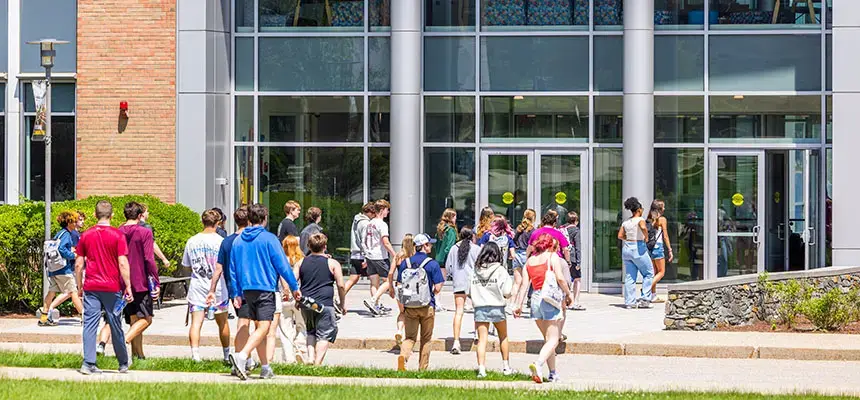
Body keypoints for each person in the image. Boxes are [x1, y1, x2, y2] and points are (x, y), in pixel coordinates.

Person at [227, 203, 301, 380]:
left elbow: (232, 268)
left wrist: (235, 292)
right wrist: (294, 287)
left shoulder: (238, 240)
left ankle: (265, 367)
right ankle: (242, 357)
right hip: (265, 289)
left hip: (246, 290)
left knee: (259, 327)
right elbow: (282, 266)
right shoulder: (269, 239)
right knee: (265, 327)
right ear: (265, 219)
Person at [75, 200, 133, 375]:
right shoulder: (117, 235)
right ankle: (123, 362)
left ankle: (88, 363)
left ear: (95, 215)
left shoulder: (86, 235)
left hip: (91, 286)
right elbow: (122, 262)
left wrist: (79, 286)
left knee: (89, 324)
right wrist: (128, 286)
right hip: (112, 287)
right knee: (115, 324)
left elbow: (78, 264)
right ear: (112, 215)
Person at [512, 233, 574, 384]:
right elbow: (560, 278)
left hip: (535, 300)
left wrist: (518, 305)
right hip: (549, 299)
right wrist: (568, 293)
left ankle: (553, 373)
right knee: (554, 338)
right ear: (549, 245)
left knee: (548, 340)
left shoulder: (530, 261)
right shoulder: (552, 257)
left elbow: (524, 285)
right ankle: (538, 364)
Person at [208, 206, 258, 375]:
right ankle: (241, 360)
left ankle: (247, 358)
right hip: (252, 286)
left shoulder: (227, 241)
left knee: (246, 323)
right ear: (250, 220)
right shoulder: (251, 239)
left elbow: (218, 268)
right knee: (246, 324)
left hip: (233, 288)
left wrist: (212, 289)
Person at [183, 209, 230, 363]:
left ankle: (195, 355)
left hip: (197, 284)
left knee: (196, 322)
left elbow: (187, 264)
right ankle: (226, 354)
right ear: (218, 223)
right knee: (222, 321)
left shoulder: (192, 241)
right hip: (218, 286)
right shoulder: (221, 241)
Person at [293, 233, 346, 365]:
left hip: (307, 303)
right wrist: (342, 303)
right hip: (324, 304)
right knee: (325, 334)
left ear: (309, 246)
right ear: (325, 247)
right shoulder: (332, 263)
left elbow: (292, 281)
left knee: (311, 331)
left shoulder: (301, 263)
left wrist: (296, 295)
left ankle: (310, 358)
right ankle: (317, 363)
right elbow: (341, 285)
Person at [395, 233, 445, 371]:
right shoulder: (432, 264)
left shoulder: (406, 263)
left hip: (410, 306)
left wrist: (404, 303)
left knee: (410, 337)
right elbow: (439, 286)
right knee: (426, 338)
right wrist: (431, 294)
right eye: (429, 244)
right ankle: (422, 369)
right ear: (424, 246)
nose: (431, 246)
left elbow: (399, 284)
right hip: (427, 306)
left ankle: (403, 357)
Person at [118, 202, 160, 360]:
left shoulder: (118, 231)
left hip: (123, 280)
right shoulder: (145, 232)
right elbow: (149, 258)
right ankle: (124, 341)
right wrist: (155, 281)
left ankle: (138, 355)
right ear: (139, 215)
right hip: (140, 280)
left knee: (134, 319)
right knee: (146, 319)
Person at [470, 242, 514, 378]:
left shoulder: (476, 270)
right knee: (503, 336)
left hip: (480, 307)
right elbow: (507, 291)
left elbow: (469, 289)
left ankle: (482, 369)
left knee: (482, 339)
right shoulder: (500, 270)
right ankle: (506, 367)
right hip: (497, 306)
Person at [38, 211, 84, 326]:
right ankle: (84, 317)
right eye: (73, 221)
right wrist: (73, 255)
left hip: (53, 268)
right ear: (69, 223)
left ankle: (44, 317)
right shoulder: (67, 235)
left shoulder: (59, 233)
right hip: (63, 269)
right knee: (73, 292)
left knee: (52, 292)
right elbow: (62, 250)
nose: (75, 223)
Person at [445, 227, 480, 355]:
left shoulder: (454, 248)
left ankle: (456, 341)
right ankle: (477, 334)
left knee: (459, 312)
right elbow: (480, 265)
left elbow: (448, 267)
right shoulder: (476, 248)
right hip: (473, 282)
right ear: (472, 236)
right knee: (477, 309)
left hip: (459, 282)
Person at [618, 197, 655, 309]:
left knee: (630, 276)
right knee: (649, 273)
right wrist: (646, 236)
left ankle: (630, 302)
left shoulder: (626, 222)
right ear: (639, 210)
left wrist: (628, 238)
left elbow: (620, 236)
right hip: (638, 247)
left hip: (627, 248)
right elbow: (643, 227)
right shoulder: (640, 220)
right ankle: (645, 299)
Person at [362, 200, 396, 315]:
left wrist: (366, 255)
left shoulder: (369, 224)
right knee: (388, 280)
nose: (388, 212)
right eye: (387, 209)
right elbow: (385, 242)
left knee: (374, 282)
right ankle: (373, 300)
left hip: (370, 256)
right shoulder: (382, 224)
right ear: (382, 210)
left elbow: (364, 241)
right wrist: (394, 255)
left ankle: (375, 306)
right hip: (379, 256)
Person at [280, 235, 308, 363]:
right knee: (302, 325)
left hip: (284, 298)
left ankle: (289, 358)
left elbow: (281, 276)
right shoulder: (302, 260)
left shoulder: (280, 259)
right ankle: (300, 349)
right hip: (298, 297)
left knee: (286, 330)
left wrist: (285, 289)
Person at [387, 234, 416, 344]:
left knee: (402, 312)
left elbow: (390, 273)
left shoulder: (398, 256)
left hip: (400, 286)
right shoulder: (414, 256)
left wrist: (390, 287)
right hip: (412, 287)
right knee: (412, 312)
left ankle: (399, 330)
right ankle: (409, 338)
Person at [346, 202, 375, 297]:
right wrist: (367, 257)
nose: (374, 216)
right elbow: (364, 241)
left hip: (355, 254)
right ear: (370, 212)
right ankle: (375, 302)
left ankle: (339, 298)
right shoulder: (365, 223)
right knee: (375, 279)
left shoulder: (356, 220)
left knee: (353, 278)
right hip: (363, 255)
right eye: (374, 213)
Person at [511, 209, 536, 312]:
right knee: (525, 283)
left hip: (517, 254)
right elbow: (532, 245)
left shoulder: (519, 228)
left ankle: (511, 304)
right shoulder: (532, 231)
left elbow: (513, 241)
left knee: (517, 282)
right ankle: (519, 304)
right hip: (527, 256)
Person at [560, 212, 585, 311]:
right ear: (576, 221)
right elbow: (578, 246)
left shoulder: (562, 229)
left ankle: (565, 300)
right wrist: (579, 262)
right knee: (577, 279)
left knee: (565, 279)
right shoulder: (575, 230)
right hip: (573, 257)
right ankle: (575, 301)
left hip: (563, 256)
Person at [435, 208, 458, 279]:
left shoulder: (440, 229)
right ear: (450, 217)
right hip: (446, 261)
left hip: (438, 259)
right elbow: (449, 247)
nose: (456, 218)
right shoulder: (451, 230)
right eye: (454, 216)